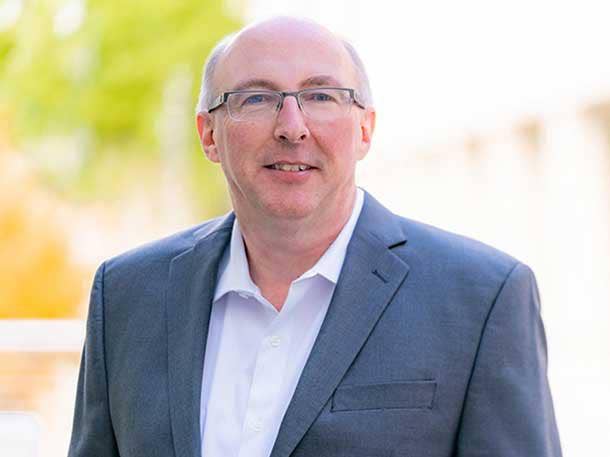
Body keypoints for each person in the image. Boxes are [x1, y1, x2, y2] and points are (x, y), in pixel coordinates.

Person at [68, 16, 562, 457]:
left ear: (365, 129)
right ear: (209, 135)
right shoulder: (127, 295)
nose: (292, 127)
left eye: (322, 96)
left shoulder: (481, 301)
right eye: (256, 98)